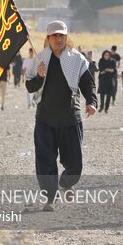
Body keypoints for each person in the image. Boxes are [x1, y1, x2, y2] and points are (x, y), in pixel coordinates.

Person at [25, 20, 97, 212]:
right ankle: (50, 198)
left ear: (66, 37)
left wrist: (91, 102)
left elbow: (88, 84)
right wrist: (39, 76)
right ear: (48, 38)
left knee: (75, 163)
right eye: (54, 36)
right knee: (45, 160)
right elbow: (30, 87)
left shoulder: (77, 59)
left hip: (70, 118)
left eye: (61, 35)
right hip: (45, 119)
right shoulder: (40, 59)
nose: (58, 39)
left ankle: (66, 183)